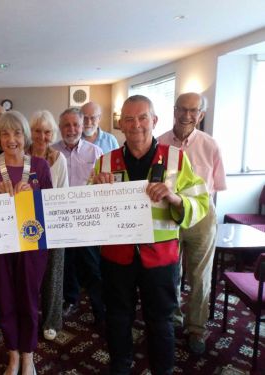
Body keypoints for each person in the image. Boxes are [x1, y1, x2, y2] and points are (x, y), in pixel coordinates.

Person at [91, 95, 209, 374]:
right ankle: (120, 366)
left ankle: (162, 370)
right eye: (129, 119)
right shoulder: (104, 163)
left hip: (160, 257)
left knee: (161, 321)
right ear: (121, 124)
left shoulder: (176, 158)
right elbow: (89, 210)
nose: (136, 124)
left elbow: (201, 203)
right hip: (116, 257)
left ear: (154, 121)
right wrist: (96, 191)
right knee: (118, 317)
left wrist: (175, 198)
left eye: (142, 117)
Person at [0, 110, 52, 375]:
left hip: (31, 247)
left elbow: (50, 207)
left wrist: (34, 196)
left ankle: (28, 354)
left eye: (17, 133)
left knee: (29, 300)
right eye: (5, 133)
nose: (11, 139)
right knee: (5, 299)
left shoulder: (40, 166)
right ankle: (12, 354)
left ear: (26, 136)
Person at [158, 92, 226, 354]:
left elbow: (215, 187)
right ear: (174, 111)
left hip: (202, 216)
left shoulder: (211, 145)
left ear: (201, 115)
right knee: (169, 271)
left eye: (193, 110)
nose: (187, 115)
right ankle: (173, 318)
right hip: (168, 214)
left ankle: (196, 328)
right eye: (182, 109)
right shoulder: (160, 143)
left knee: (200, 275)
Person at [53, 108, 105, 327]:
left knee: (92, 266)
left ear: (83, 126)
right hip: (61, 219)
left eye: (76, 124)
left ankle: (100, 309)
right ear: (60, 127)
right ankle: (70, 299)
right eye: (66, 125)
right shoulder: (52, 152)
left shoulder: (96, 152)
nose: (72, 129)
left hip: (86, 220)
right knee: (67, 265)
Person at [28, 110, 68, 341]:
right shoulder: (21, 157)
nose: (42, 136)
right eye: (37, 131)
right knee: (29, 275)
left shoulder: (58, 159)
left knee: (53, 274)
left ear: (52, 134)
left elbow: (63, 193)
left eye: (47, 132)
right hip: (27, 227)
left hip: (53, 225)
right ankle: (30, 317)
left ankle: (51, 321)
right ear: (30, 132)